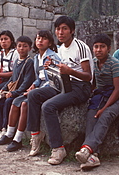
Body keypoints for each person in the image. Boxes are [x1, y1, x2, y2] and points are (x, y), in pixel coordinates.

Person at [27, 15, 94, 165]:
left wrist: (70, 71)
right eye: (58, 29)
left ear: (72, 31)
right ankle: (36, 135)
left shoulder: (80, 47)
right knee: (33, 95)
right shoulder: (60, 49)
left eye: (64, 29)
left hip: (80, 87)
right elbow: (60, 70)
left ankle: (58, 148)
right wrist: (51, 66)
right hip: (63, 84)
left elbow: (88, 76)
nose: (60, 32)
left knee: (48, 106)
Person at [75, 34, 119, 170]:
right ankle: (92, 155)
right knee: (91, 117)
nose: (98, 50)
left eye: (102, 47)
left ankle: (86, 149)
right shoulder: (94, 62)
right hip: (101, 95)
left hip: (117, 97)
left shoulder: (114, 64)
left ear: (109, 49)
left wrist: (104, 107)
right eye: (96, 47)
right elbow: (93, 83)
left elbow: (118, 90)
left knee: (105, 116)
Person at [0, 30, 60, 152]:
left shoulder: (52, 57)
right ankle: (9, 134)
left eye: (44, 39)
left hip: (50, 88)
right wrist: (33, 85)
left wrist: (35, 88)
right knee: (15, 102)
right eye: (38, 38)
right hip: (39, 88)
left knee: (24, 104)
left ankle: (18, 139)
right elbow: (38, 77)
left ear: (50, 42)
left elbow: (52, 79)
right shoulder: (37, 58)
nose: (40, 41)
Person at [0, 36, 36, 150]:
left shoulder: (29, 62)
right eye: (19, 46)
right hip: (15, 90)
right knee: (0, 101)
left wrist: (15, 93)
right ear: (16, 47)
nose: (21, 49)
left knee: (9, 102)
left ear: (30, 48)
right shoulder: (17, 61)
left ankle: (10, 132)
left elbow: (27, 81)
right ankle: (2, 129)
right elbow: (13, 79)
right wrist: (3, 89)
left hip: (22, 92)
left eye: (25, 46)